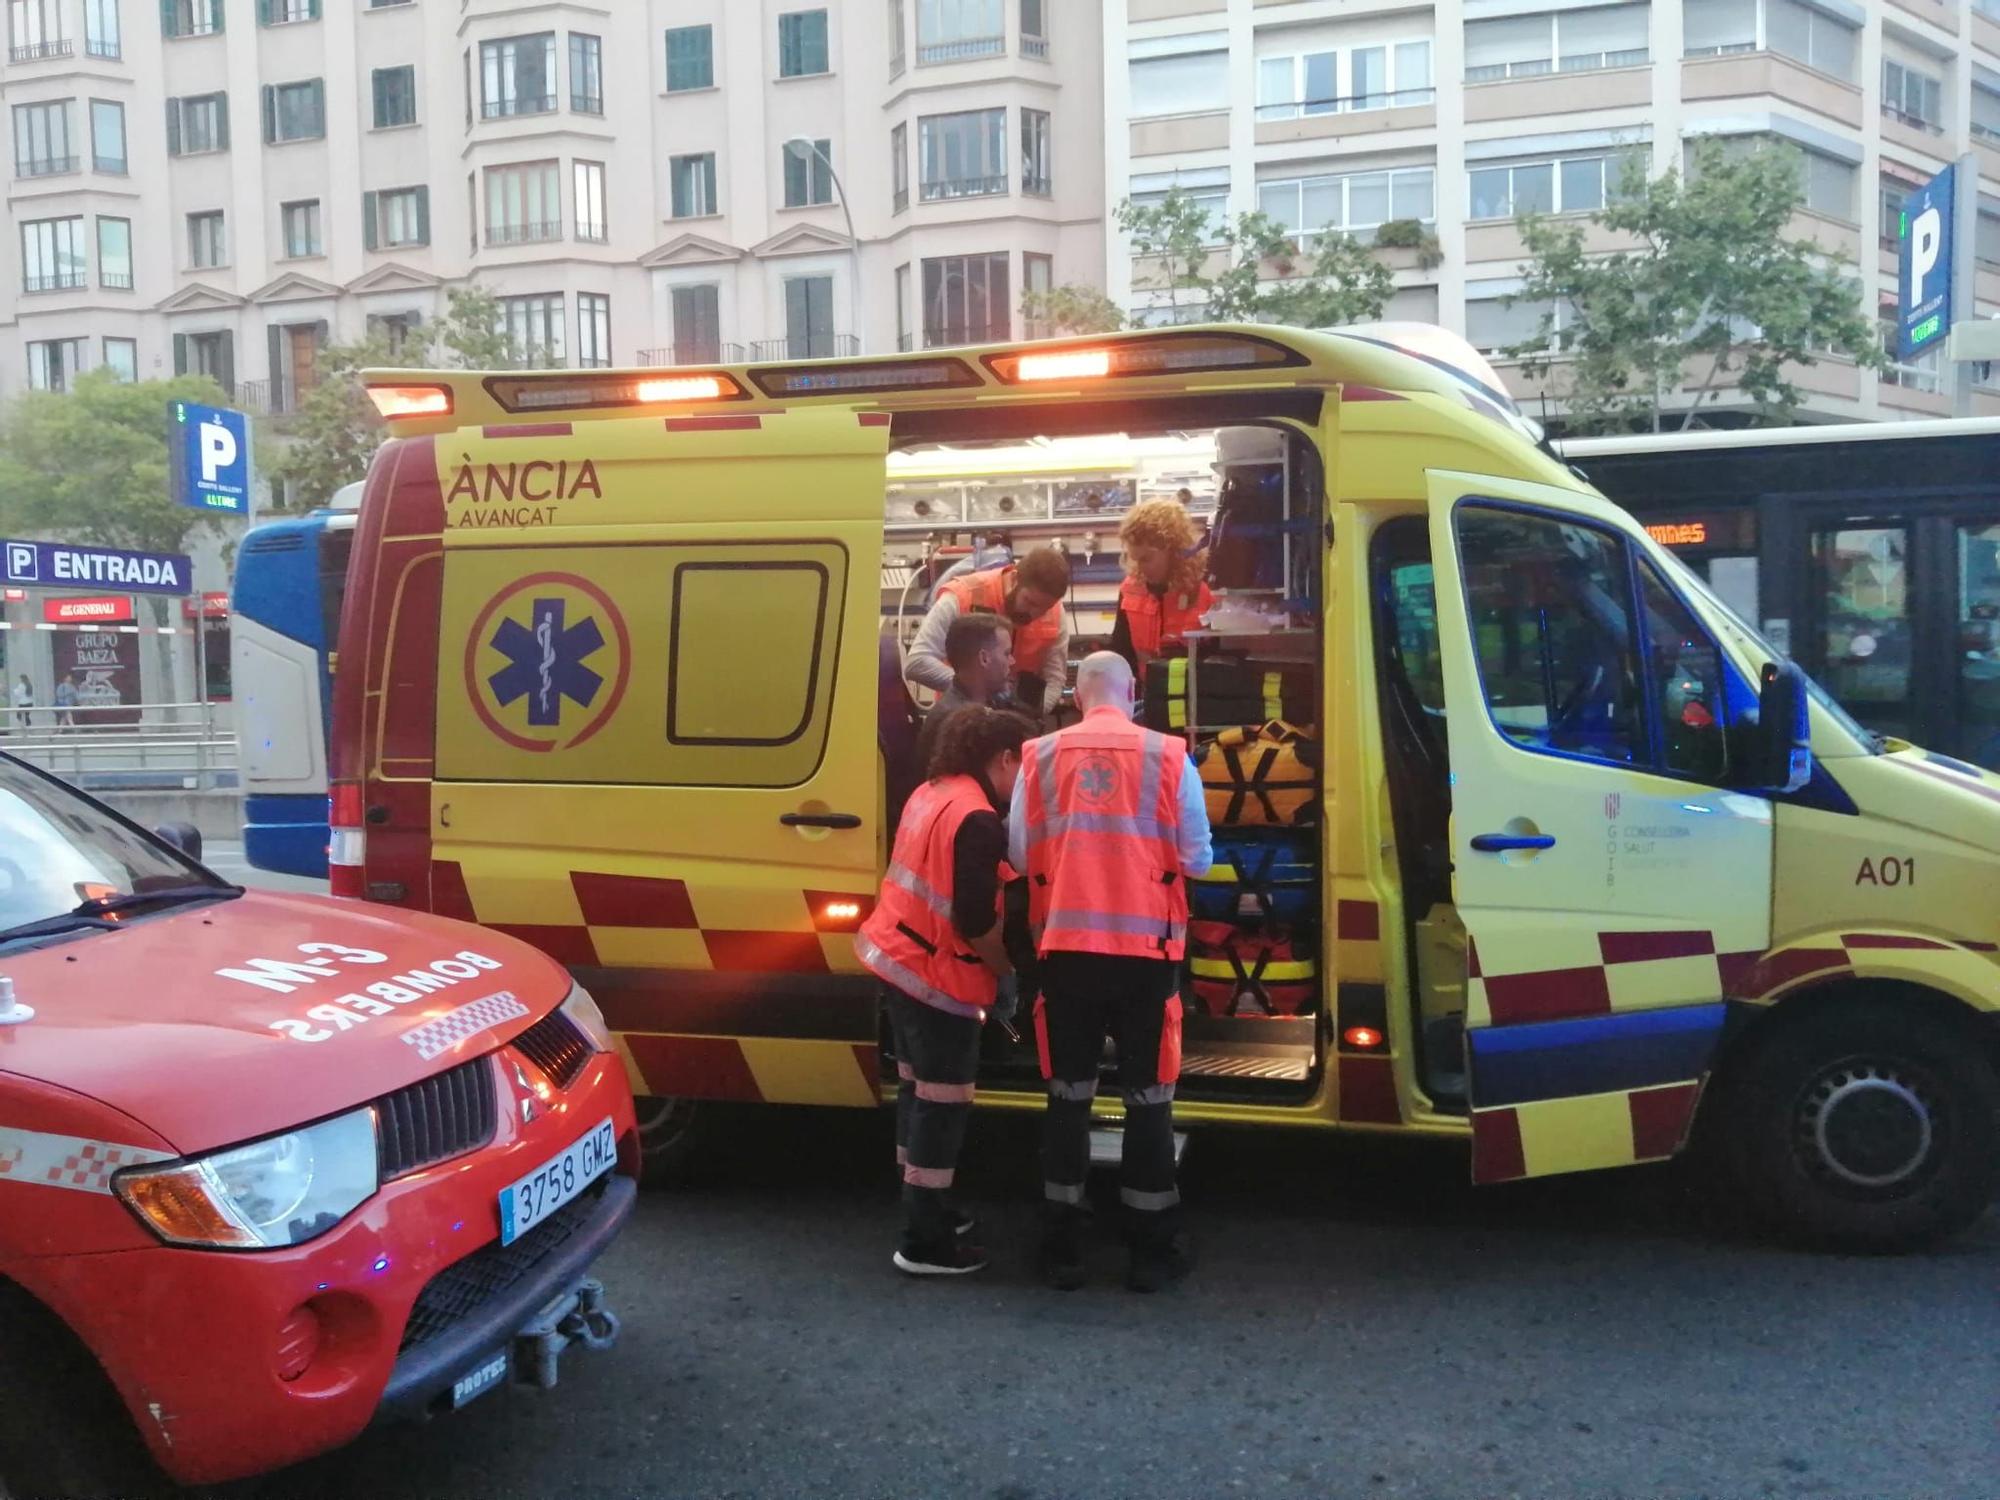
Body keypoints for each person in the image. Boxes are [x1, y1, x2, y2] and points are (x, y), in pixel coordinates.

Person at [1008, 651, 1212, 1293]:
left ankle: (1062, 1247)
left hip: (1066, 950)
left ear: (1076, 693)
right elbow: (1199, 859)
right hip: (1147, 955)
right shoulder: (1169, 757)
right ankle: (1151, 1250)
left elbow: (1017, 852)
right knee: (1149, 1101)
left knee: (1068, 1095)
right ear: (1132, 694)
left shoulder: (1038, 756)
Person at [855, 706, 1033, 1278]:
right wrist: (1006, 971)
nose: (1023, 782)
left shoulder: (932, 792)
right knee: (942, 1105)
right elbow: (975, 918)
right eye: (1023, 767)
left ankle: (924, 1208)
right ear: (1003, 758)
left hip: (899, 961)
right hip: (938, 977)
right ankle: (924, 1241)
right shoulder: (978, 818)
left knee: (916, 1095)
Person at [906, 547, 1071, 717]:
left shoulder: (1056, 612)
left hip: (1016, 722)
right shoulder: (964, 596)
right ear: (1014, 578)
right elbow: (917, 662)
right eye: (1030, 602)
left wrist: (1028, 716)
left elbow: (1054, 680)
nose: (1034, 614)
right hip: (959, 722)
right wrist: (976, 690)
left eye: (1045, 608)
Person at [1110, 498, 1213, 673]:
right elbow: (1122, 652)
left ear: (1173, 550)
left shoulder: (1207, 589)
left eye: (1147, 559)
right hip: (1148, 694)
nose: (1141, 568)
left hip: (1197, 694)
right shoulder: (1130, 590)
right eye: (1136, 559)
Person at [914, 614, 1014, 776]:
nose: (1012, 661)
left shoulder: (981, 707)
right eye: (1006, 653)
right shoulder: (956, 724)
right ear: (984, 659)